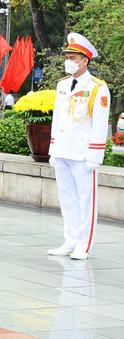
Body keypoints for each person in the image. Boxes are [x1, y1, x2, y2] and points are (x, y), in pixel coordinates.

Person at [47, 33, 111, 260]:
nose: (68, 61)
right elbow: (58, 118)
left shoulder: (97, 87)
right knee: (67, 198)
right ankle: (70, 241)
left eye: (72, 58)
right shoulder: (62, 85)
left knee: (86, 200)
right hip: (62, 150)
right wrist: (52, 149)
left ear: (84, 60)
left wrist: (95, 155)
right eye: (67, 57)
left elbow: (100, 124)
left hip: (83, 154)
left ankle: (84, 245)